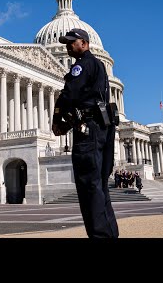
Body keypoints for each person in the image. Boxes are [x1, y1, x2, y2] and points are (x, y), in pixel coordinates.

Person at [52, 28, 119, 238]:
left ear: (85, 43)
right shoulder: (98, 66)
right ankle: (109, 234)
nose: (68, 45)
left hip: (88, 130)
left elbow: (68, 95)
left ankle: (100, 236)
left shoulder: (81, 66)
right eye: (66, 42)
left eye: (72, 42)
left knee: (88, 185)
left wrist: (57, 120)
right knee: (99, 185)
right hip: (103, 127)